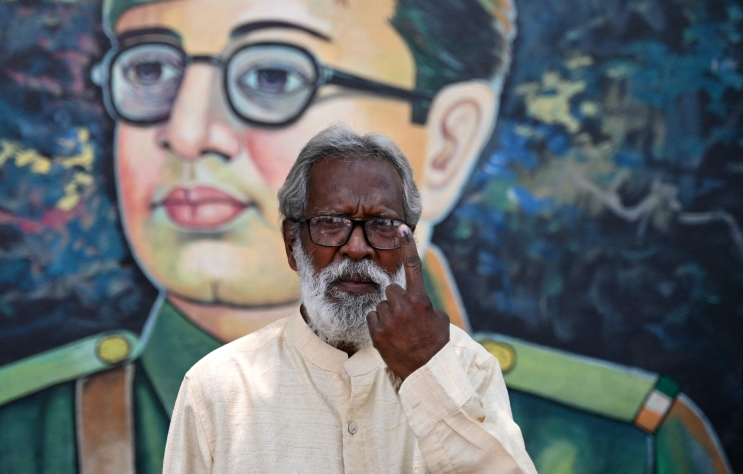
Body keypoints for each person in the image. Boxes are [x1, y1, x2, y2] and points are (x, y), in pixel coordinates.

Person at [0, 0, 732, 472]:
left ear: (446, 141)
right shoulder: (4, 449)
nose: (188, 129)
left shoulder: (621, 448)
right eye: (151, 68)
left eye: (273, 75)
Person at [163, 125, 538, 473]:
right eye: (331, 222)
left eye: (383, 224)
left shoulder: (466, 367)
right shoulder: (219, 388)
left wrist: (428, 374)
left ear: (410, 243)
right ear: (293, 245)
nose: (357, 249)